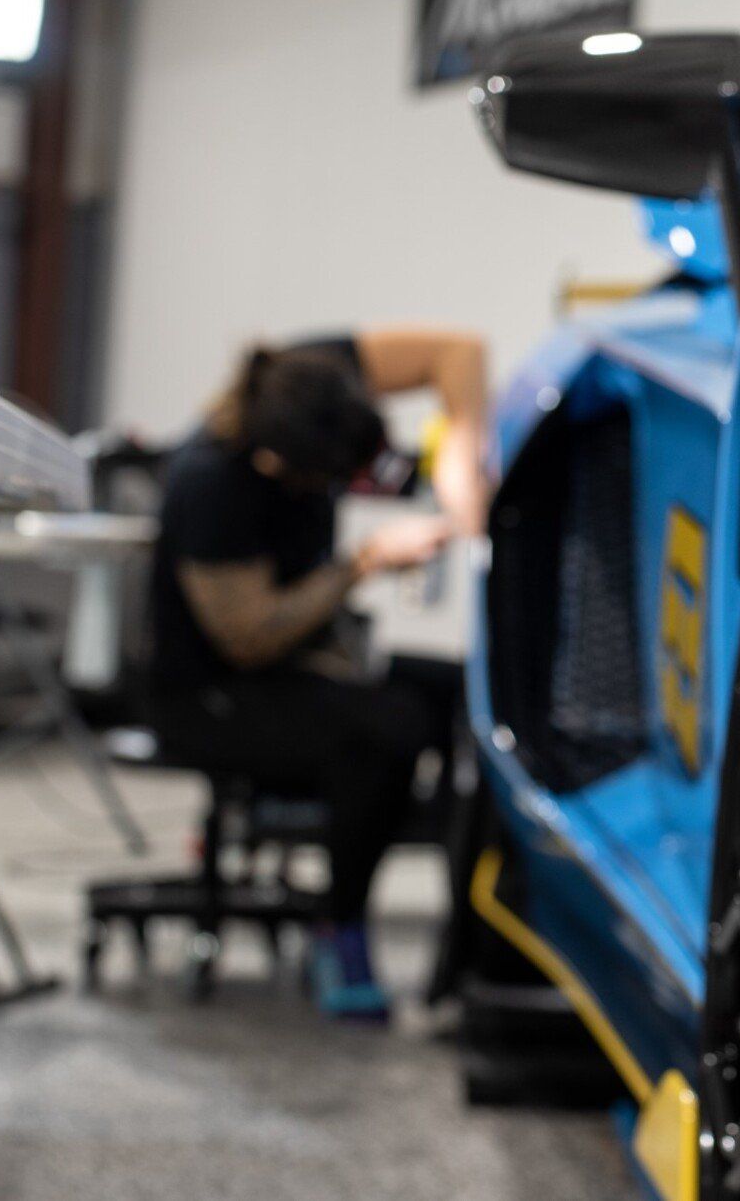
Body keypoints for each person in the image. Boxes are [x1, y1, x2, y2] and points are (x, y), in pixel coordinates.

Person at [147, 326, 488, 1019]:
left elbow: (460, 351)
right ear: (282, 466)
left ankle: (476, 935)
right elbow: (249, 639)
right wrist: (360, 566)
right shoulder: (212, 484)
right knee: (389, 729)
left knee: (463, 692)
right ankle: (341, 923)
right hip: (209, 695)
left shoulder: (317, 377)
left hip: (290, 666)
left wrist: (464, 451)